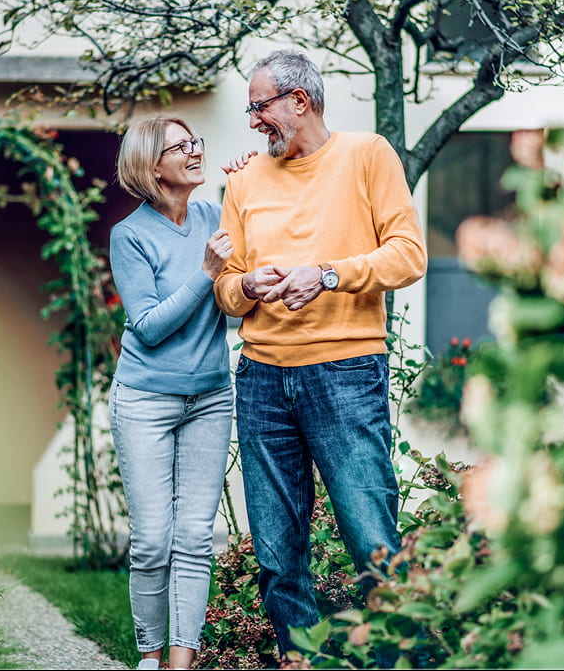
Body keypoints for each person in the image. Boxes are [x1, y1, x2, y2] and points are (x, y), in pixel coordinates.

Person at [213, 49, 428, 660]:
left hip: (345, 375)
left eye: (259, 107)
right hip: (262, 380)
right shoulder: (245, 179)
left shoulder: (368, 155)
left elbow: (409, 254)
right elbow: (226, 286)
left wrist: (328, 275)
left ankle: (399, 662)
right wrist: (246, 285)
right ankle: (301, 661)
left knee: (372, 541)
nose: (253, 121)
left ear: (299, 101)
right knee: (277, 556)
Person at [109, 113, 253, 671]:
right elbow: (148, 326)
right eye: (180, 147)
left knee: (194, 537)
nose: (195, 151)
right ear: (152, 167)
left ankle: (181, 664)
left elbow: (246, 275)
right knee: (152, 539)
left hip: (210, 397)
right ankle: (150, 657)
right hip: (145, 400)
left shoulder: (214, 216)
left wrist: (249, 182)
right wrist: (205, 271)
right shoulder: (130, 236)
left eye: (195, 141)